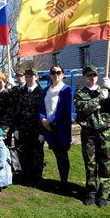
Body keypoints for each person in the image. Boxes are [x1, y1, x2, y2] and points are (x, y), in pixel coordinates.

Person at [75, 65, 110, 207]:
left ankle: (104, 195)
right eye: (88, 75)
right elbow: (82, 109)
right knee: (90, 164)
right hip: (88, 133)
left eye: (94, 75)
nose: (92, 78)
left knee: (105, 163)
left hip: (104, 132)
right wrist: (98, 99)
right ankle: (90, 193)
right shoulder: (80, 93)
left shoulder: (106, 90)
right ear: (84, 77)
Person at [39, 65, 72, 193]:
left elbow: (64, 108)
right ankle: (61, 181)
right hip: (49, 127)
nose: (56, 74)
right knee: (57, 155)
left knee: (63, 156)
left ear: (62, 74)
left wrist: (50, 119)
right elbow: (41, 107)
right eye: (53, 72)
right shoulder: (46, 90)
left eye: (58, 72)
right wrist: (43, 120)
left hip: (60, 128)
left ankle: (64, 183)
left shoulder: (66, 89)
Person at [13, 68, 44, 186]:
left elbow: (43, 112)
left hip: (35, 129)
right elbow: (18, 110)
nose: (28, 78)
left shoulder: (40, 92)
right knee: (24, 153)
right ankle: (26, 175)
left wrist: (42, 132)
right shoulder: (22, 91)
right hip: (23, 128)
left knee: (36, 154)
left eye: (31, 76)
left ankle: (37, 177)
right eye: (27, 76)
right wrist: (16, 127)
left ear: (36, 77)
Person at [0, 73, 13, 147]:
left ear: (5, 82)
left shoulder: (7, 95)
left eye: (0, 82)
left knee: (5, 147)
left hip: (5, 126)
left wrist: (5, 128)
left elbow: (9, 112)